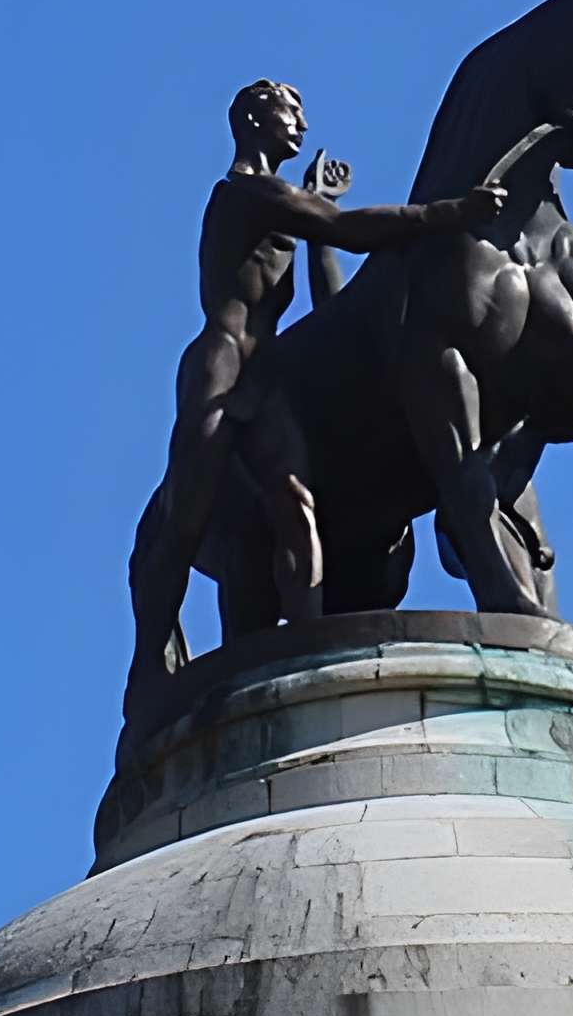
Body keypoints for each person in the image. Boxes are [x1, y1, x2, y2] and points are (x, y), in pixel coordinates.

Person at [126, 80, 503, 719]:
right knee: (184, 523)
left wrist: (324, 212)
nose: (299, 122)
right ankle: (145, 669)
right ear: (251, 118)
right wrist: (449, 213)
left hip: (266, 370)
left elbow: (323, 232)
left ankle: (306, 647)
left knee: (297, 505)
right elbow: (348, 228)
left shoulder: (279, 199)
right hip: (221, 364)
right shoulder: (243, 192)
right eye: (287, 111)